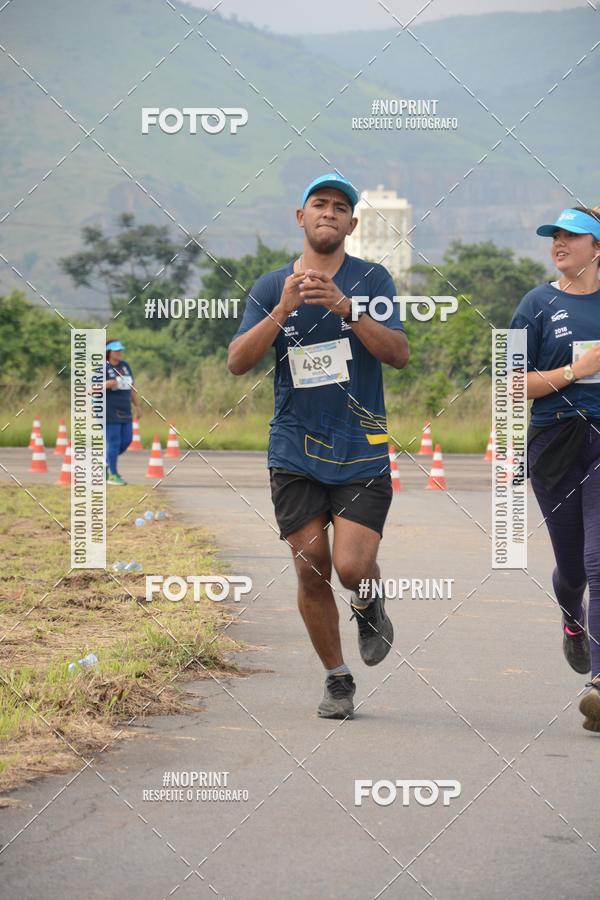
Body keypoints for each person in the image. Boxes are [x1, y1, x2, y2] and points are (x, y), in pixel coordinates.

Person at [227, 173, 409, 719]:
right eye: (319, 204)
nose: (329, 212)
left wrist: (347, 309)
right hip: (294, 448)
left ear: (352, 224)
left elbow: (398, 354)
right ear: (300, 217)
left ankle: (368, 601)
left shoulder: (372, 279)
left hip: (361, 445)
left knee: (351, 567)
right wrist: (282, 310)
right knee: (311, 567)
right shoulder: (270, 286)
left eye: (340, 207)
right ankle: (337, 678)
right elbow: (238, 362)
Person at [510, 205, 600, 732]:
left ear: (597, 247)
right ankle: (572, 617)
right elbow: (511, 384)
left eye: (572, 236)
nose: (559, 243)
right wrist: (575, 370)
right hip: (554, 442)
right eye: (555, 236)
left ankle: (598, 683)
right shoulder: (536, 304)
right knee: (573, 570)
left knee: (598, 560)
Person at [104, 340, 141, 486]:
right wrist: (106, 384)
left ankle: (103, 463)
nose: (119, 353)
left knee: (127, 440)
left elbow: (132, 388)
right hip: (109, 411)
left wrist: (137, 406)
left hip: (125, 410)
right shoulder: (102, 368)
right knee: (114, 442)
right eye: (116, 350)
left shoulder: (125, 366)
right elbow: (90, 389)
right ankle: (113, 475)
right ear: (108, 352)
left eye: (120, 350)